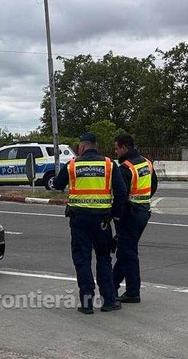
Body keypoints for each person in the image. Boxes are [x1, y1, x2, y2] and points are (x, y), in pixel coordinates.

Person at [53, 133, 127, 314]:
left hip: (79, 221)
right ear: (95, 145)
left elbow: (56, 185)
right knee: (104, 259)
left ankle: (86, 304)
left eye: (79, 146)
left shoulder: (73, 165)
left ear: (83, 147)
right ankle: (108, 301)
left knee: (82, 260)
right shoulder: (109, 165)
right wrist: (114, 215)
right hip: (102, 221)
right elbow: (121, 192)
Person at [112, 134, 158, 304]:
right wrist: (142, 200)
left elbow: (121, 195)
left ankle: (132, 291)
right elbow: (153, 186)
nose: (115, 151)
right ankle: (112, 283)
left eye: (116, 147)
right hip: (143, 211)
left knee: (128, 252)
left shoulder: (125, 167)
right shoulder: (147, 162)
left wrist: (117, 217)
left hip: (130, 214)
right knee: (125, 250)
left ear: (124, 147)